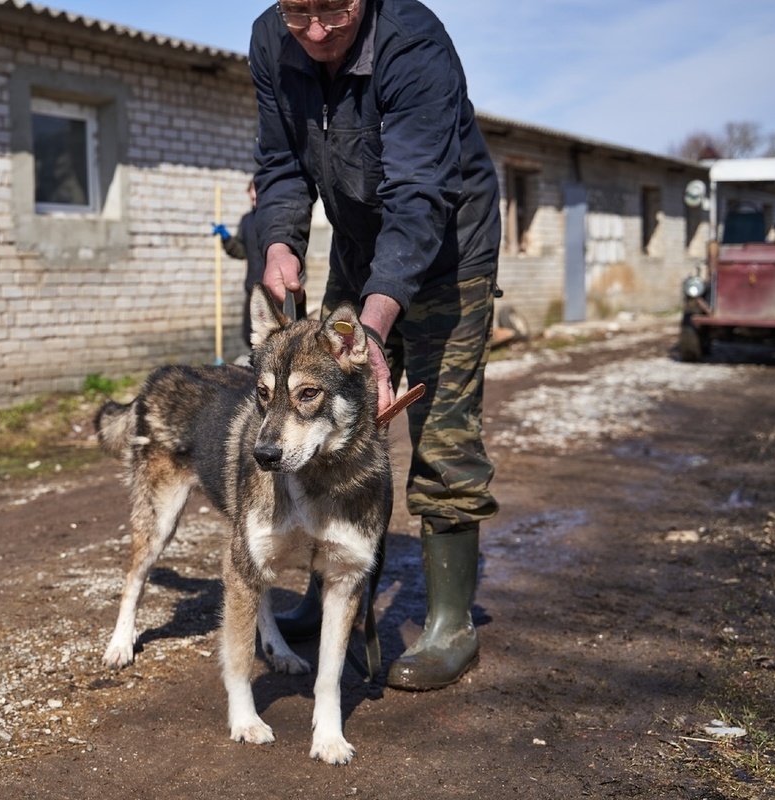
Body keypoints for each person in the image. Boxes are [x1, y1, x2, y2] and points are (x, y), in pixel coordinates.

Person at [249, 0, 502, 691]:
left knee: (441, 429)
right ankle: (327, 585)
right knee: (337, 428)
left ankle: (452, 622)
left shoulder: (414, 44)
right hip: (359, 250)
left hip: (451, 251)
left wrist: (375, 323)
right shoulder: (272, 40)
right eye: (299, 11)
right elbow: (280, 164)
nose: (317, 30)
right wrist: (278, 240)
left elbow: (419, 195)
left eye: (332, 9)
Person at [212, 179, 305, 349]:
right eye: (252, 199)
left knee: (282, 337)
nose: (255, 203)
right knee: (249, 335)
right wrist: (227, 240)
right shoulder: (247, 221)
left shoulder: (276, 222)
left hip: (277, 289)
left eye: (258, 199)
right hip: (254, 288)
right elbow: (241, 251)